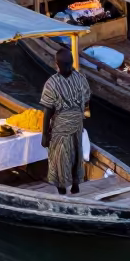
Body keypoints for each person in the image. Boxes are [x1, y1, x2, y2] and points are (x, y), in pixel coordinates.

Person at [40, 48, 91, 195]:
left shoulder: (52, 83)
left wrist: (45, 134)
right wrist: (84, 117)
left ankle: (62, 188)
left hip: (61, 126)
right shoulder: (81, 79)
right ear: (72, 62)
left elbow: (48, 111)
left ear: (57, 64)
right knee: (76, 153)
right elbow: (87, 101)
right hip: (77, 123)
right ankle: (75, 185)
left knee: (59, 158)